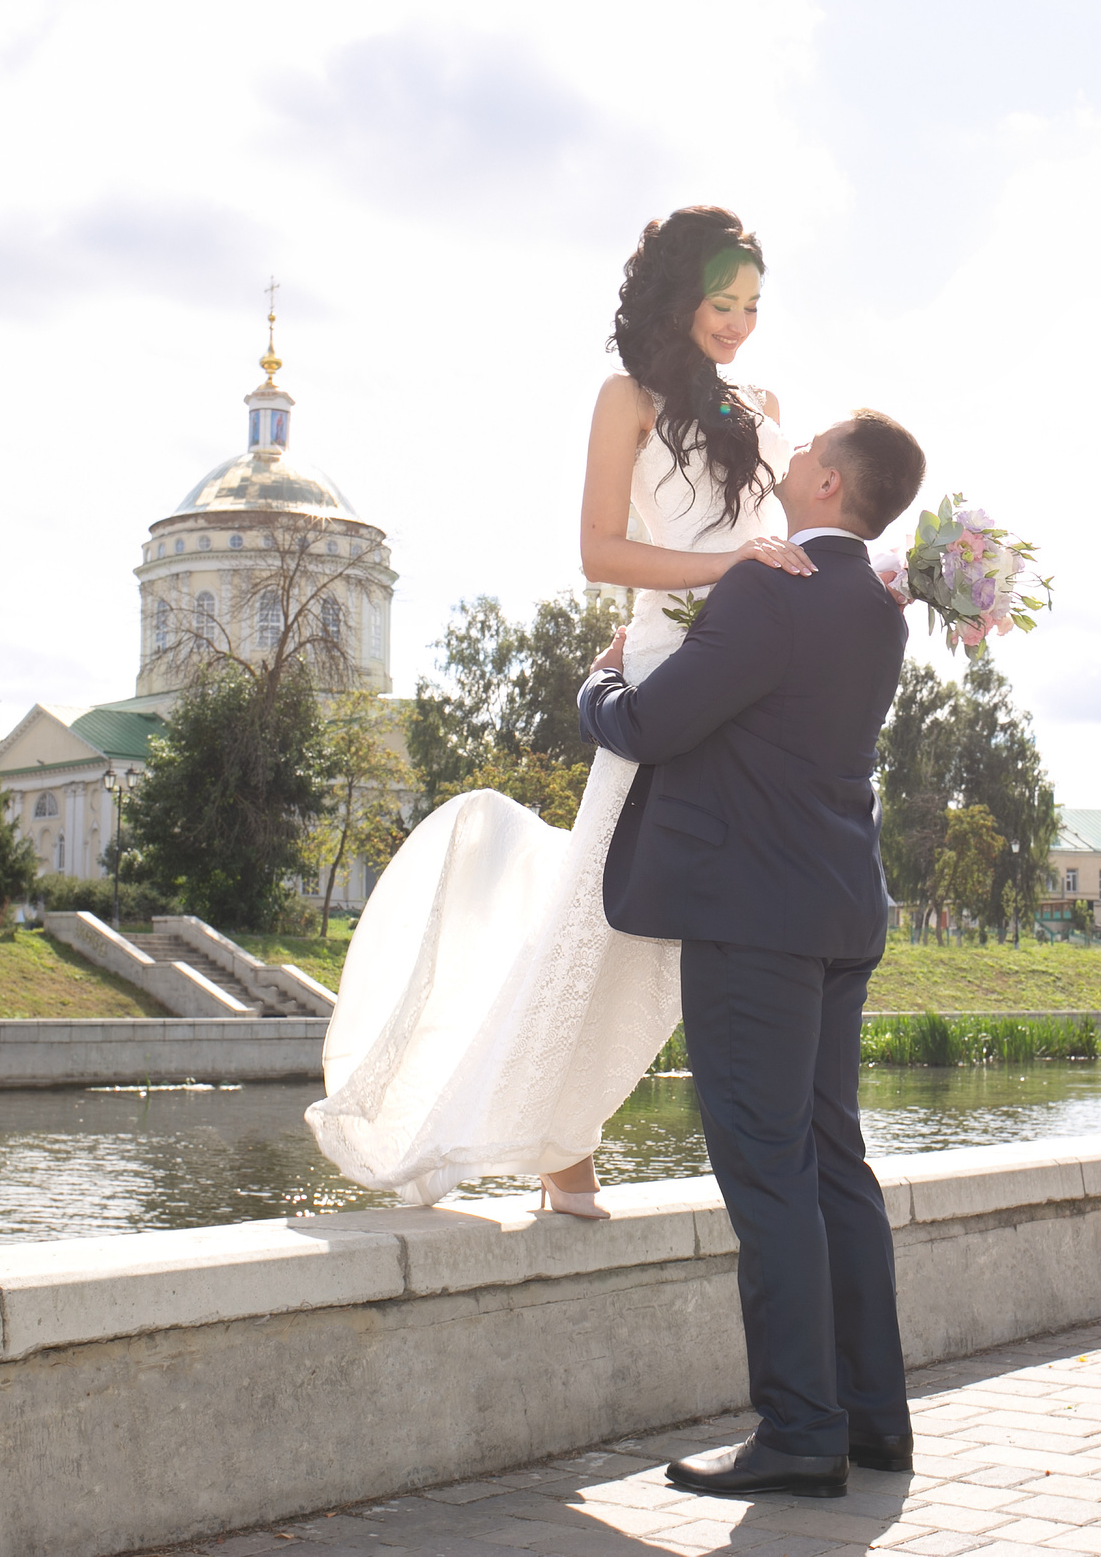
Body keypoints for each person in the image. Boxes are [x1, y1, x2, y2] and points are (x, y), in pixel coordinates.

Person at [306, 206, 815, 1212]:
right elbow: (599, 551)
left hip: (751, 680)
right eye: (722, 303)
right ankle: (558, 1147)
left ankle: (696, 1139)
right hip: (669, 672)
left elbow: (789, 541)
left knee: (720, 916)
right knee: (601, 911)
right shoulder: (624, 397)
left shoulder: (763, 402)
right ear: (679, 297)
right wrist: (720, 573)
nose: (739, 324)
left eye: (754, 306)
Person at [579, 409, 930, 1500]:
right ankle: (874, 1419)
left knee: (766, 1171)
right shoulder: (879, 611)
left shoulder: (770, 590)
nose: (793, 453)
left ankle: (796, 1433)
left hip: (753, 922)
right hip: (838, 915)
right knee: (834, 1164)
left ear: (828, 484)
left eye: (809, 446)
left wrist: (597, 682)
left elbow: (649, 725)